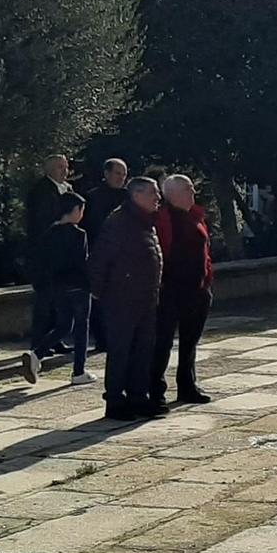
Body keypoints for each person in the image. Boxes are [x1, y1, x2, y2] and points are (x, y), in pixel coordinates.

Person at [88, 177, 164, 419]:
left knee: (143, 350)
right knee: (120, 350)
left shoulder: (146, 222)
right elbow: (100, 259)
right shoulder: (119, 222)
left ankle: (138, 397)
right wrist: (99, 293)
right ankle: (115, 401)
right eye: (153, 193)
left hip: (146, 298)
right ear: (137, 195)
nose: (158, 198)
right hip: (121, 299)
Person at [152, 174, 214, 407]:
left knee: (190, 342)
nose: (193, 193)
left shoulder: (195, 216)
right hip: (171, 290)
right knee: (162, 342)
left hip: (197, 290)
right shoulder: (163, 219)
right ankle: (155, 390)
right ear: (173, 193)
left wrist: (206, 281)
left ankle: (187, 386)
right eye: (188, 189)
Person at [40, 193, 93, 384]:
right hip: (78, 285)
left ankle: (36, 354)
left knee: (63, 325)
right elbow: (82, 263)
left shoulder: (49, 233)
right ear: (76, 210)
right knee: (81, 327)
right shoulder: (79, 234)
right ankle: (79, 371)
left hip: (58, 286)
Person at [25, 154, 73, 357]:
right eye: (60, 167)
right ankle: (38, 343)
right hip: (44, 257)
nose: (65, 171)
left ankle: (54, 339)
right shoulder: (41, 191)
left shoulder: (67, 188)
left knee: (58, 302)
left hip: (61, 255)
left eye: (66, 167)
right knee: (45, 302)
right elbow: (40, 222)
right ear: (49, 170)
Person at [83, 157, 132, 353]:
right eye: (117, 173)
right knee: (99, 300)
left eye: (124, 174)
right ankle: (102, 338)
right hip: (100, 255)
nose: (121, 178)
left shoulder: (129, 197)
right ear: (106, 174)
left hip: (125, 256)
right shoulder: (92, 198)